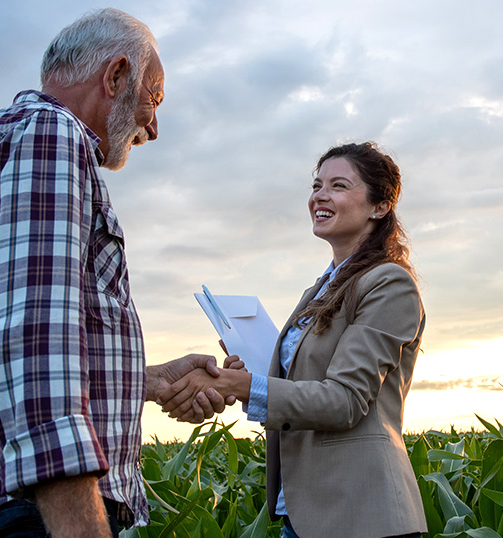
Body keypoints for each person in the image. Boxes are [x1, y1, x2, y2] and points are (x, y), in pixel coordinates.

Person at [0, 9, 228, 538]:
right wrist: (82, 528)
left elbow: (17, 334)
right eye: (153, 99)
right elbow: (32, 343)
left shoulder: (17, 139)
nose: (152, 127)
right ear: (114, 77)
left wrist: (148, 381)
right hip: (26, 514)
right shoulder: (48, 135)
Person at [158, 142, 428, 538]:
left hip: (361, 514)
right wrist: (246, 370)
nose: (319, 195)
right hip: (303, 514)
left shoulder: (389, 283)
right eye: (316, 185)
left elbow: (345, 400)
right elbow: (301, 385)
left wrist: (244, 386)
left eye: (338, 185)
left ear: (380, 206)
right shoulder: (317, 291)